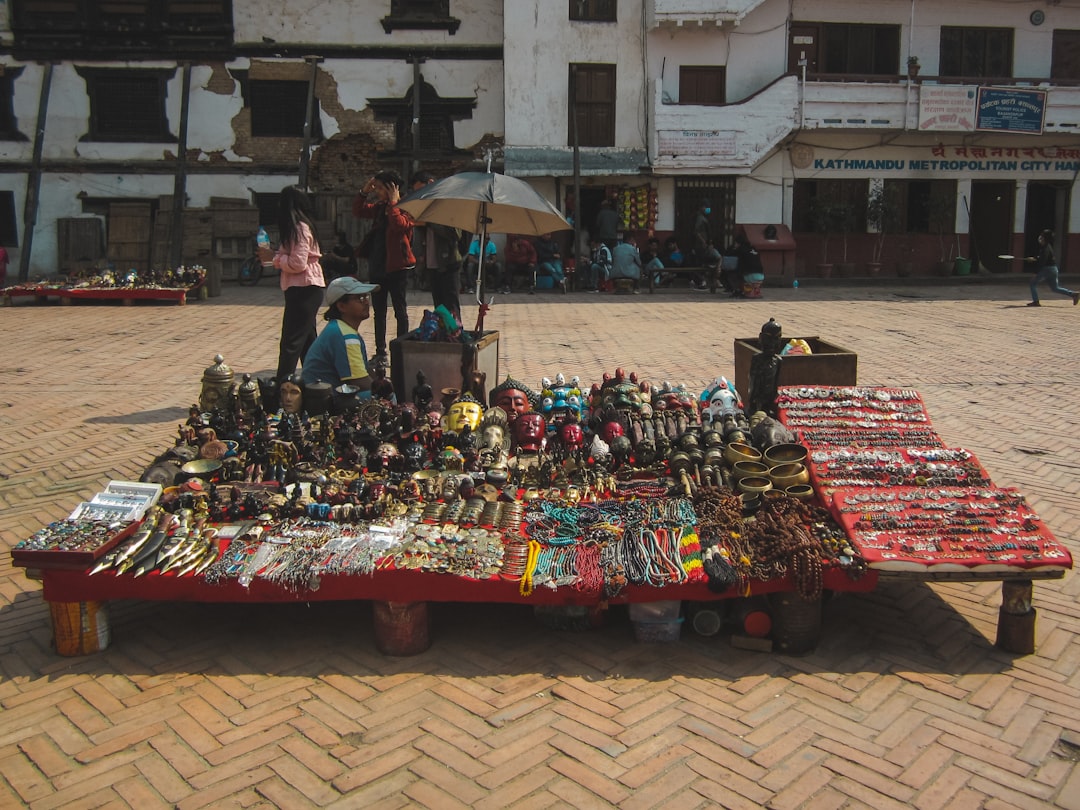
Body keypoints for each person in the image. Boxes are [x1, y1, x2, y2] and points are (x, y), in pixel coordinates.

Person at [257, 185, 326, 383]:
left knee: (291, 341)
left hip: (305, 288)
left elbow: (297, 263)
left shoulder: (300, 228)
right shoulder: (296, 228)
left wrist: (275, 258)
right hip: (301, 288)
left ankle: (282, 385)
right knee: (306, 341)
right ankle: (315, 381)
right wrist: (275, 255)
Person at [353, 169, 416, 366]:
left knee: (400, 310)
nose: (377, 191)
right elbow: (359, 210)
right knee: (379, 311)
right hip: (378, 266)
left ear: (392, 188)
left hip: (397, 267)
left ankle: (402, 348)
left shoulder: (406, 206)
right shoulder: (380, 208)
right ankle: (381, 352)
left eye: (381, 188)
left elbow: (399, 225)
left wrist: (394, 202)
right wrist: (364, 191)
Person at [301, 276, 380, 392]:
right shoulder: (345, 336)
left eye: (366, 296)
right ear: (342, 306)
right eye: (360, 298)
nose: (366, 302)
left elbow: (365, 370)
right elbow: (359, 381)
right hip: (328, 400)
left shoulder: (340, 328)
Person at [1025, 229, 1079, 307]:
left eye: (1042, 235)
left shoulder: (1045, 248)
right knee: (1055, 288)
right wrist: (1034, 258)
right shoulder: (1047, 246)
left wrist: (1035, 273)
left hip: (1047, 269)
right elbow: (1042, 258)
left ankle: (1036, 301)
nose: (1040, 237)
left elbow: (1042, 262)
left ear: (1044, 238)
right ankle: (1073, 294)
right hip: (1053, 269)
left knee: (1033, 283)